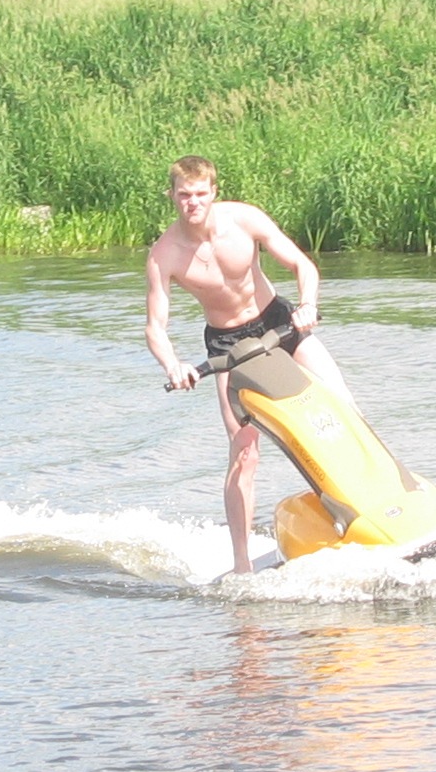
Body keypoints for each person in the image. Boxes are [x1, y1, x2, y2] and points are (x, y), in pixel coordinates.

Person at [145, 155, 353, 576]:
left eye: (200, 194)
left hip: (279, 323)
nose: (192, 202)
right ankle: (242, 566)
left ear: (213, 192)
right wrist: (172, 365)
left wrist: (307, 305)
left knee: (344, 408)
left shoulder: (244, 220)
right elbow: (155, 326)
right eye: (184, 195)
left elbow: (302, 265)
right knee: (244, 452)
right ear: (172, 196)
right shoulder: (164, 254)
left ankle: (386, 502)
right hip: (228, 346)